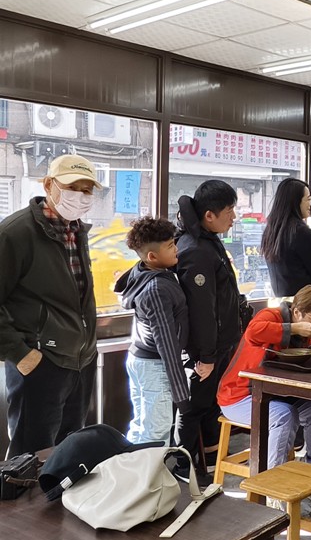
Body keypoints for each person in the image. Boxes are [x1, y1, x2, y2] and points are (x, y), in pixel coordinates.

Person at [0, 154, 102, 457]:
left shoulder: (76, 230)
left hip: (79, 361)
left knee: (70, 453)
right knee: (31, 456)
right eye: (73, 187)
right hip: (40, 362)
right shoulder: (15, 232)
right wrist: (21, 353)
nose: (81, 197)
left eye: (87, 190)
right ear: (48, 185)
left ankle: (61, 505)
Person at [218, 285, 311, 473]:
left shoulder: (304, 332)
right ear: (296, 311)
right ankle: (273, 479)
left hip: (274, 393)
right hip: (239, 395)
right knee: (284, 415)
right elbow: (253, 333)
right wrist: (295, 328)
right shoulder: (270, 315)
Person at [174, 179, 243, 479]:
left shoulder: (207, 240)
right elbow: (202, 310)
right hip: (205, 351)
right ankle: (182, 469)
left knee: (210, 407)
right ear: (209, 215)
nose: (234, 216)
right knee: (193, 410)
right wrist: (206, 355)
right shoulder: (196, 249)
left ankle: (209, 466)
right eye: (230, 210)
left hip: (218, 346)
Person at [116, 216, 191, 446]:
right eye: (170, 246)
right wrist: (181, 395)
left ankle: (136, 478)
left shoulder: (143, 272)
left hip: (141, 360)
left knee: (142, 427)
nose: (177, 249)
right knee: (155, 435)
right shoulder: (157, 287)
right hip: (154, 364)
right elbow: (166, 342)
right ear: (152, 257)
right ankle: (149, 481)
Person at [262, 178, 311, 296]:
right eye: (308, 199)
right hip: (305, 305)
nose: (310, 203)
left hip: (282, 304)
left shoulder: (271, 231)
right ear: (295, 202)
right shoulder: (301, 232)